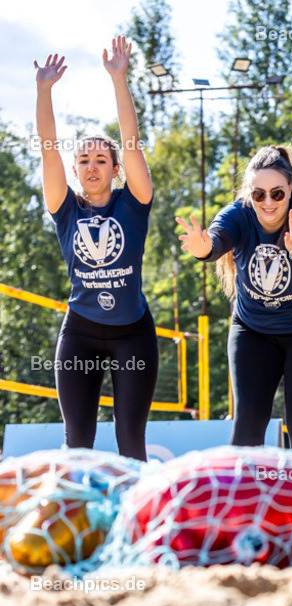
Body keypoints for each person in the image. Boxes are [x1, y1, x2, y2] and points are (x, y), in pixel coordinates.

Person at [178, 146, 292, 454]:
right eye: (259, 194)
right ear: (249, 194)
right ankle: (244, 501)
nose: (268, 202)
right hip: (254, 330)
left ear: (290, 189)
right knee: (248, 425)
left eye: (277, 194)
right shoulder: (238, 215)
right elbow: (217, 241)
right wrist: (204, 248)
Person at [35, 40, 158, 461]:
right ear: (75, 170)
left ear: (115, 168)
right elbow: (48, 147)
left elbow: (132, 140)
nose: (91, 166)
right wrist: (44, 91)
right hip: (81, 334)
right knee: (77, 445)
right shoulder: (64, 208)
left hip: (133, 335)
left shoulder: (133, 202)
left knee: (131, 444)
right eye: (83, 160)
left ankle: (137, 525)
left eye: (101, 160)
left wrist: (118, 79)